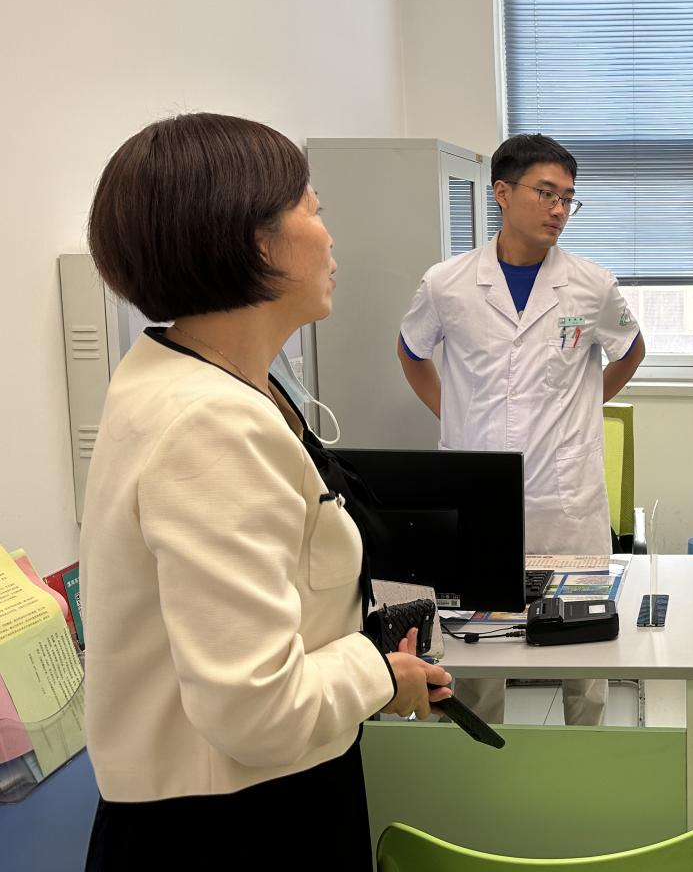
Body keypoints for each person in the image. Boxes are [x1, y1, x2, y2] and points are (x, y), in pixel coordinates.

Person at [80, 113, 451, 870]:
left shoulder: (192, 375)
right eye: (313, 209)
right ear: (257, 242)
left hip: (242, 797)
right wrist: (380, 672)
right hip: (235, 826)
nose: (330, 236)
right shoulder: (209, 421)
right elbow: (257, 709)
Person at [397, 133, 644, 725]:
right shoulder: (447, 283)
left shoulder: (592, 284)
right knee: (478, 645)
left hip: (566, 497)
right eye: (546, 193)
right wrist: (451, 414)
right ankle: (485, 759)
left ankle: (587, 752)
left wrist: (582, 407)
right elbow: (411, 351)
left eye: (568, 198)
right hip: (479, 493)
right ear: (502, 193)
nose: (559, 209)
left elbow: (631, 351)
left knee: (585, 644)